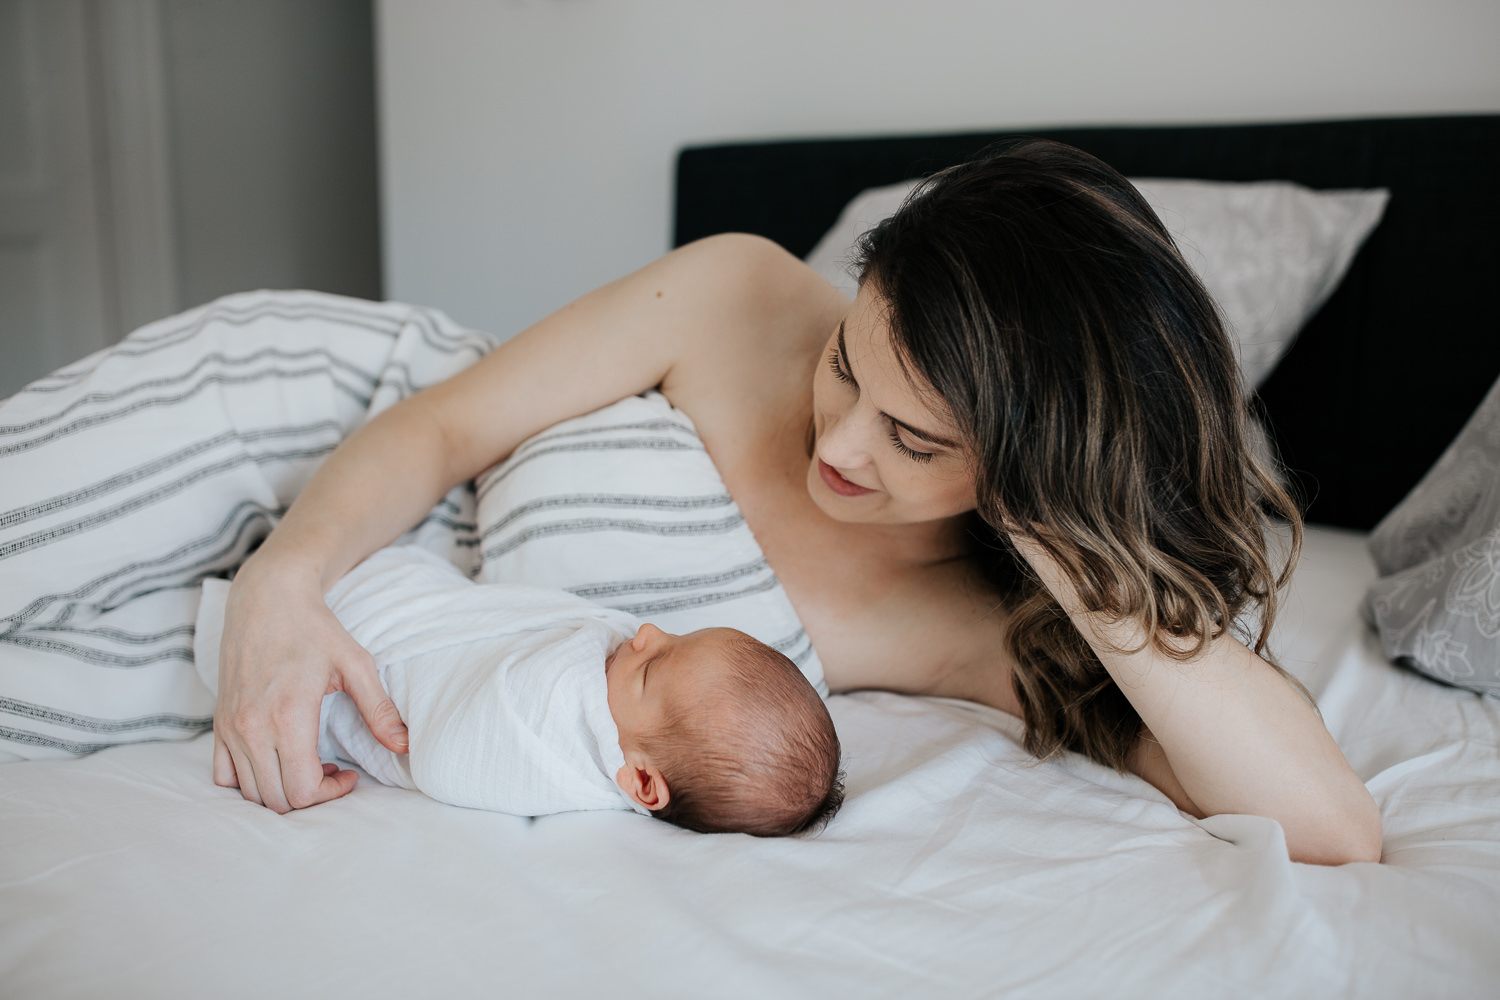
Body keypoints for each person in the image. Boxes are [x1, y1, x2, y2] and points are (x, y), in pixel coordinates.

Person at [3, 138, 1382, 865]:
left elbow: (1329, 829)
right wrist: (288, 578)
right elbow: (443, 424)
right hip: (302, 443)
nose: (837, 439)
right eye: (848, 363)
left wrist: (1065, 537)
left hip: (394, 651)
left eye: (913, 438)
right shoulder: (741, 289)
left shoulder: (979, 632)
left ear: (1029, 480)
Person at [195, 545, 844, 836]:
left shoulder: (561, 740)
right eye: (674, 635)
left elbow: (456, 754)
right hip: (371, 583)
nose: (644, 632)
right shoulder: (623, 688)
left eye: (653, 667)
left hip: (344, 656)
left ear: (642, 783)